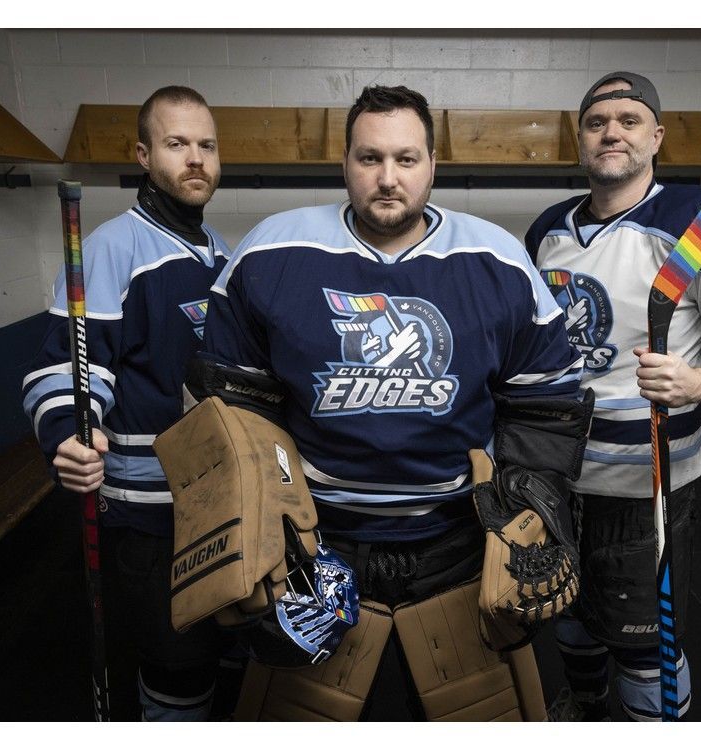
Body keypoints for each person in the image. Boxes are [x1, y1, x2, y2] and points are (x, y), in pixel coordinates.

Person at [188, 85, 588, 720]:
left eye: (406, 159)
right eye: (369, 159)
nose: (386, 179)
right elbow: (235, 408)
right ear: (344, 161)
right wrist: (264, 527)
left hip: (455, 542)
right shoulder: (270, 251)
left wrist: (527, 511)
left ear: (433, 163)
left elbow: (544, 405)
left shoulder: (498, 260)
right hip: (320, 541)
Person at [525, 72, 701, 721]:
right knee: (567, 612)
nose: (611, 131)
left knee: (642, 639)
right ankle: (585, 709)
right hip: (556, 480)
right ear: (580, 139)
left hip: (645, 491)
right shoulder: (547, 230)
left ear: (657, 135)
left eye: (628, 118)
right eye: (596, 122)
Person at [22, 86, 243, 720]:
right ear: (144, 155)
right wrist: (71, 429)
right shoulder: (115, 248)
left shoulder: (221, 254)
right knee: (177, 670)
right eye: (178, 145)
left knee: (214, 654)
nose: (196, 159)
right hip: (148, 516)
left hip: (216, 503)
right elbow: (71, 363)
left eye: (206, 145)